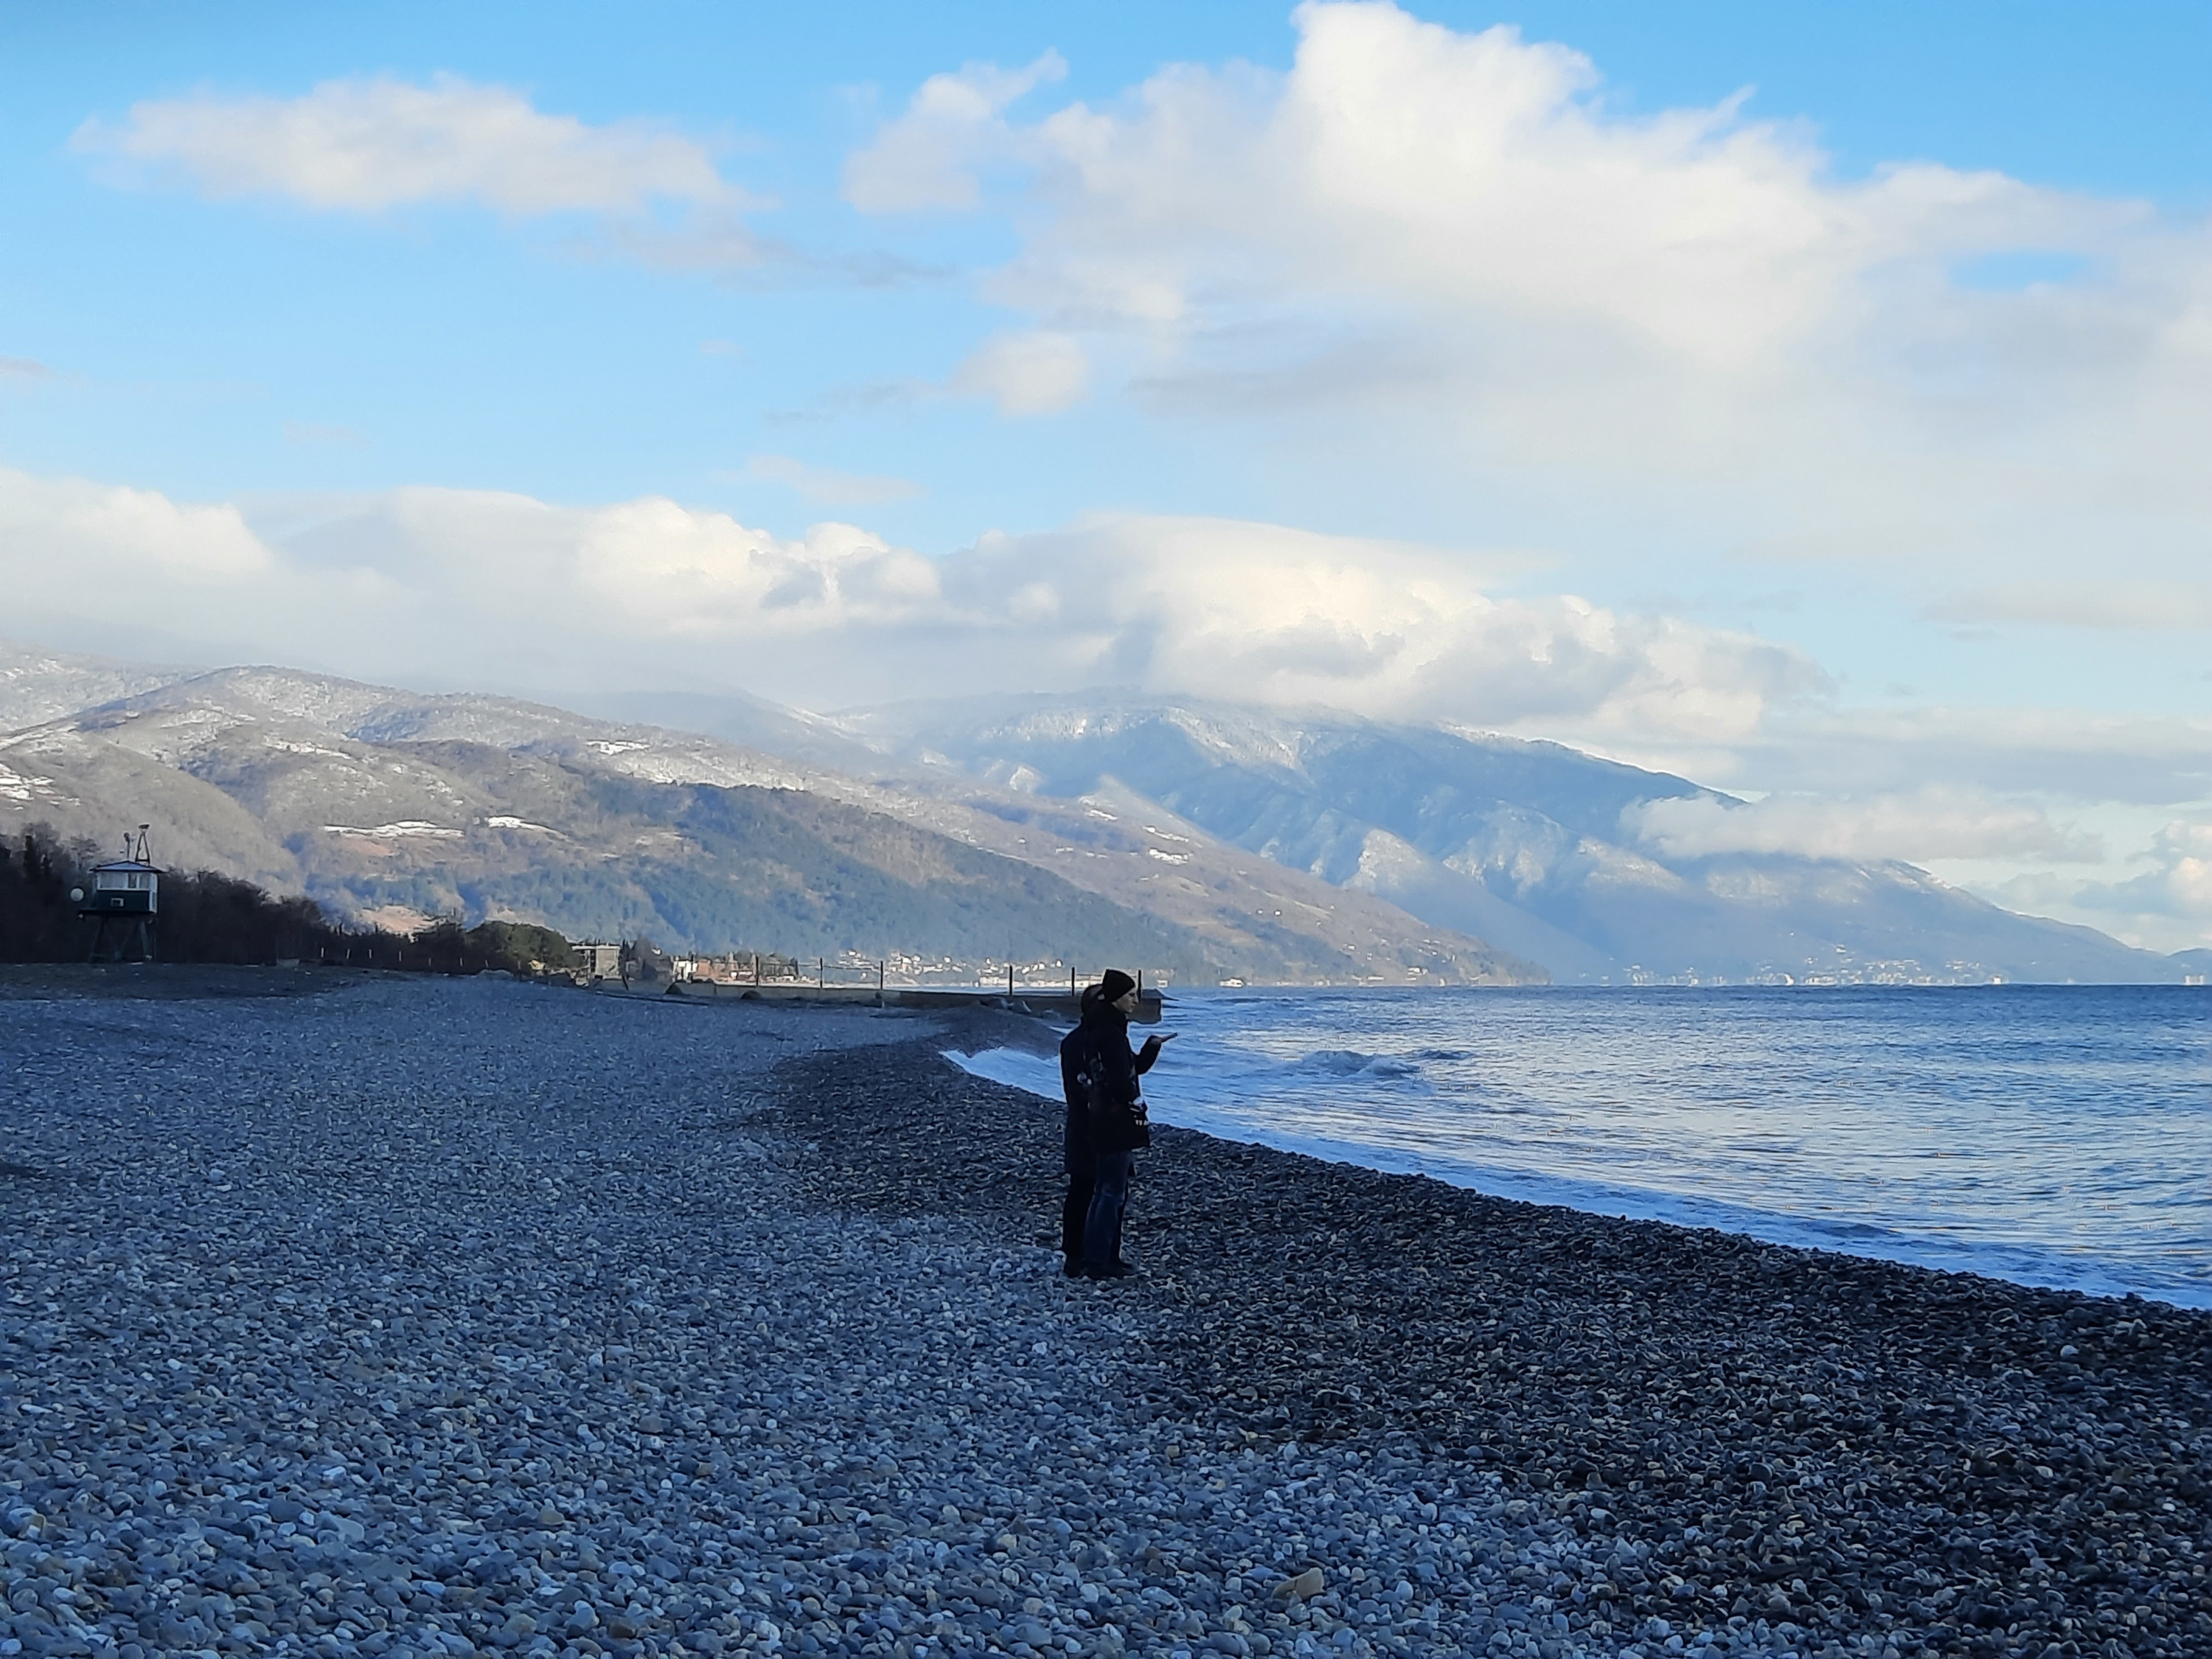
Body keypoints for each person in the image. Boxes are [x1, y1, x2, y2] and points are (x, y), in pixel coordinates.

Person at [1059, 969, 1171, 1279]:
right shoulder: (1089, 1040)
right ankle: (1083, 1257)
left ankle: (1101, 1254)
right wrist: (1132, 1104)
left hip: (1098, 1121)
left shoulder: (1100, 1036)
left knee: (1102, 1191)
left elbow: (1130, 1068)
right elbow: (1109, 1080)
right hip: (1093, 1123)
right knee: (1093, 1190)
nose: (1135, 1001)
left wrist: (1151, 1048)